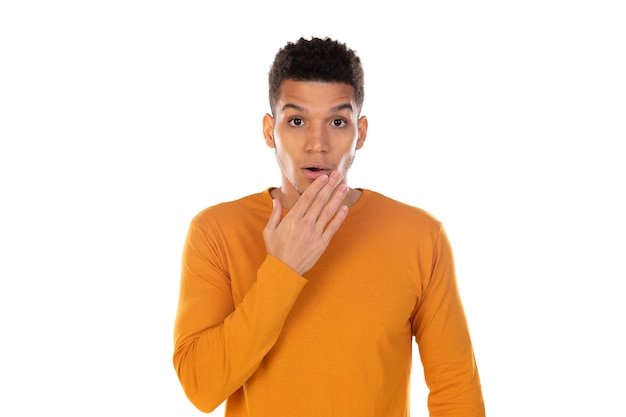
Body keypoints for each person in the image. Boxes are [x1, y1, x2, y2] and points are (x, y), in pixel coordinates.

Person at [173, 36, 485, 417]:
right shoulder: (216, 231)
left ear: (361, 133)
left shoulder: (420, 235)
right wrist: (282, 271)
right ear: (270, 130)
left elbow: (456, 391)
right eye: (297, 121)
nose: (317, 144)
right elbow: (201, 388)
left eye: (337, 121)